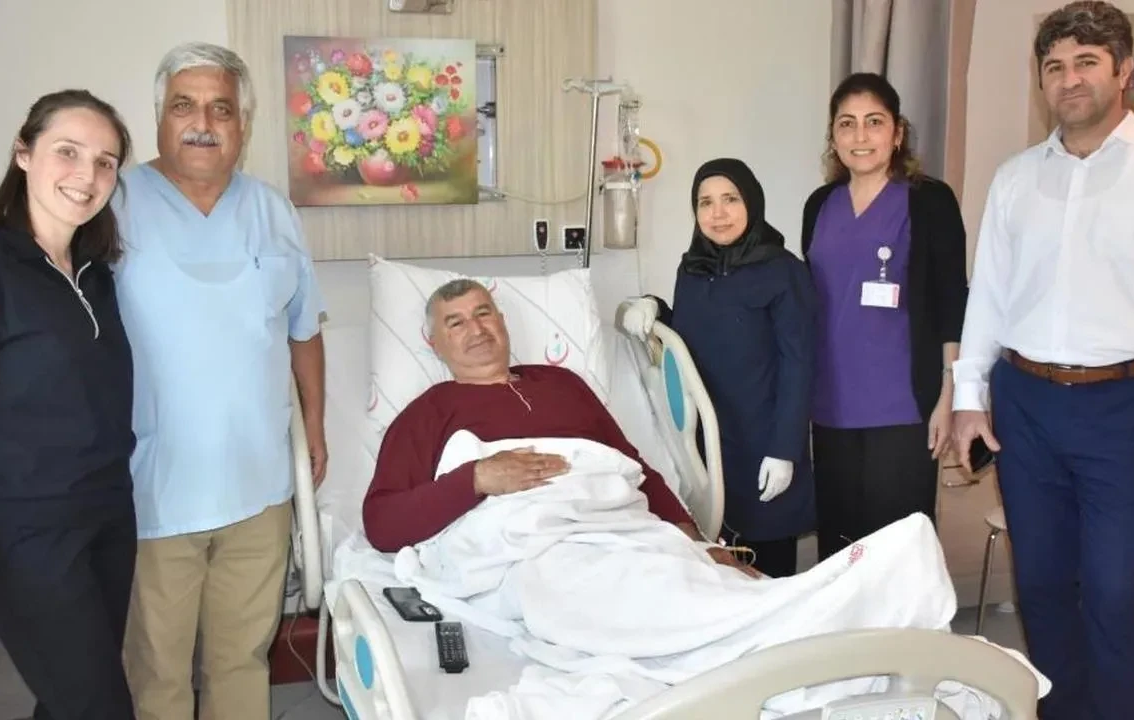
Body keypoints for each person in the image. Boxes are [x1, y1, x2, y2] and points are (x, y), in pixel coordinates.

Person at [0, 43, 328, 720]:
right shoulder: (112, 205)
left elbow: (303, 329)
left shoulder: (269, 213)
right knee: (151, 678)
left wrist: (313, 427)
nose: (203, 122)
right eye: (184, 105)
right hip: (148, 494)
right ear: (160, 117)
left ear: (244, 124)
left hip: (250, 490)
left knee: (240, 662)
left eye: (221, 108)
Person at [950, 3, 1134, 719]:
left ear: (1122, 71)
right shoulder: (1015, 178)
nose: (1070, 79)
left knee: (1115, 592)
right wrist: (969, 397)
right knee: (1041, 588)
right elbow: (989, 296)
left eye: (1087, 62)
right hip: (1026, 404)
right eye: (1055, 66)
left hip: (1130, 407)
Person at [0, 90, 138, 719]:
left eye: (105, 162)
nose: (87, 175)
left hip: (107, 514)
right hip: (25, 530)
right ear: (24, 153)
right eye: (67, 152)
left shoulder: (95, 274)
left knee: (71, 694)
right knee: (99, 707)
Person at [363, 278, 759, 578]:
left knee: (713, 581)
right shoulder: (427, 413)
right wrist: (477, 478)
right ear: (435, 344)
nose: (477, 329)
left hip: (622, 529)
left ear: (502, 321)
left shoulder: (564, 384)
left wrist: (694, 544)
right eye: (456, 323)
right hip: (531, 551)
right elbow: (382, 523)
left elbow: (634, 469)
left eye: (483, 313)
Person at [619, 159, 816, 578]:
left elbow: (799, 364)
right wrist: (654, 307)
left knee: (768, 571)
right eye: (705, 202)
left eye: (730, 199)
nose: (718, 213)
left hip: (764, 441)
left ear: (752, 203)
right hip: (709, 440)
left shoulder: (783, 272)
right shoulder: (693, 269)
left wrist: (784, 450)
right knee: (719, 566)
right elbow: (692, 333)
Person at [800, 73, 969, 561]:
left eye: (874, 122)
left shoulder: (930, 200)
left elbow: (952, 302)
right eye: (847, 123)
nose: (860, 135)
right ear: (833, 137)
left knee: (897, 551)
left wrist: (949, 395)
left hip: (904, 408)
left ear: (897, 133)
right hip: (831, 404)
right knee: (840, 548)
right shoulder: (819, 205)